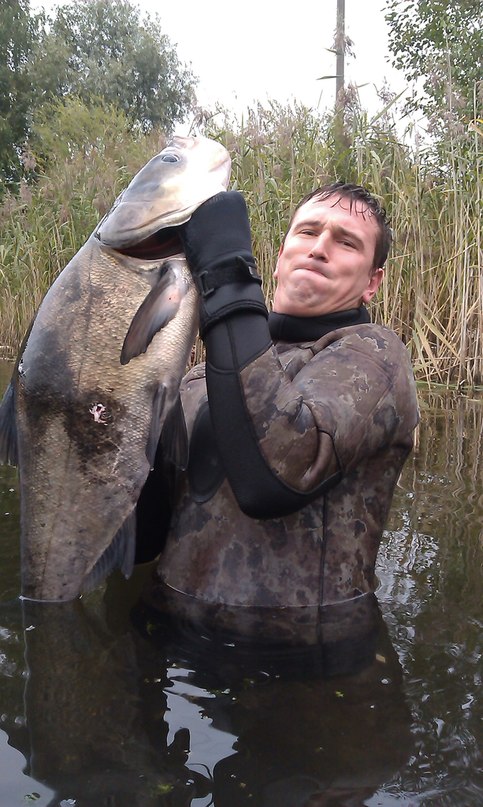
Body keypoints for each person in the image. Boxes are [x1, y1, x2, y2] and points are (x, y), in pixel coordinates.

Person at [135, 182, 419, 650]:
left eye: (346, 242)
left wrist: (227, 277)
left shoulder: (376, 356)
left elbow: (274, 476)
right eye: (307, 232)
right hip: (167, 639)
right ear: (281, 254)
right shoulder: (199, 378)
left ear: (373, 281)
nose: (320, 248)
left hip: (298, 661)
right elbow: (141, 539)